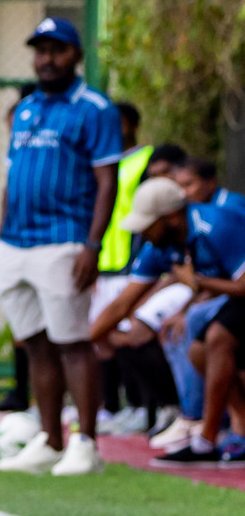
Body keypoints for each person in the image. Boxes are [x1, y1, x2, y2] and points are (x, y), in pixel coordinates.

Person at [0, 17, 122, 476]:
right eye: (40, 50)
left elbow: (108, 180)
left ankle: (86, 444)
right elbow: (12, 176)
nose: (47, 59)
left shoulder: (95, 108)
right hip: (15, 242)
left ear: (76, 55)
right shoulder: (26, 108)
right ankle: (49, 439)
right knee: (35, 344)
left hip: (64, 240)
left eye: (57, 50)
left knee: (73, 342)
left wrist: (92, 245)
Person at [91, 178, 245, 465]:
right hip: (232, 299)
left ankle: (205, 441)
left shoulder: (216, 225)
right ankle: (241, 427)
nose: (143, 234)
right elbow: (123, 304)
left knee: (217, 337)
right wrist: (85, 344)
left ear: (171, 217)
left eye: (148, 224)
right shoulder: (160, 245)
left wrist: (197, 283)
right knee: (198, 351)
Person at [0, 83, 38, 413]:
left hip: (51, 242)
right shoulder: (18, 154)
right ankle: (23, 394)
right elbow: (10, 189)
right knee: (23, 325)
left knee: (54, 334)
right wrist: (2, 232)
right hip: (15, 242)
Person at [174, 156, 245, 216]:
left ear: (211, 183)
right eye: (179, 186)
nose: (183, 193)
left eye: (188, 184)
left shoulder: (232, 206)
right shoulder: (195, 210)